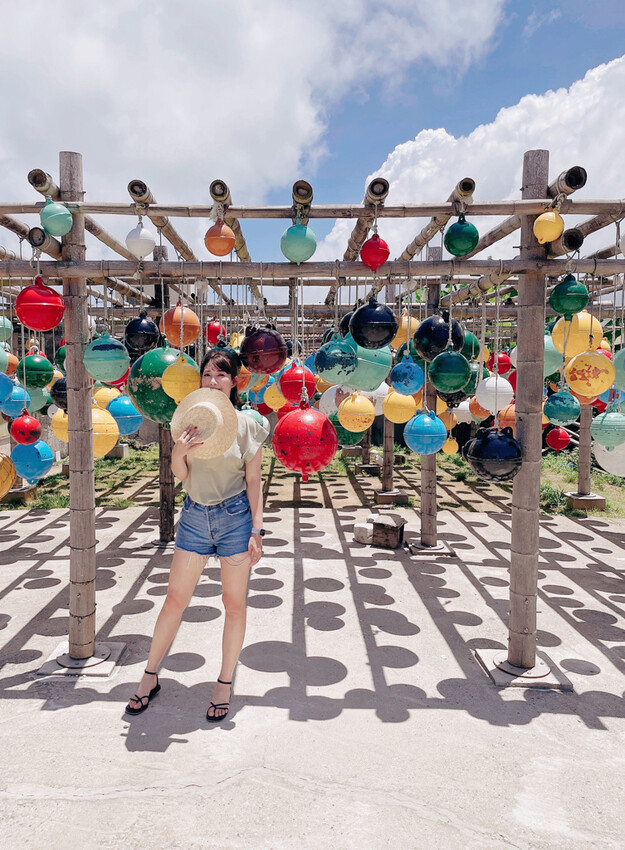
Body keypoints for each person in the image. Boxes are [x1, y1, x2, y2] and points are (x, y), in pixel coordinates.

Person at [126, 348, 269, 721]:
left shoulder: (247, 423)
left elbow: (254, 481)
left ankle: (224, 683)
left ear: (234, 382)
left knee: (234, 603)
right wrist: (179, 449)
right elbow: (182, 475)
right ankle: (149, 676)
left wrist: (257, 529)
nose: (212, 381)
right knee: (175, 599)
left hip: (236, 518)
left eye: (221, 375)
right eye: (207, 374)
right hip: (193, 517)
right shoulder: (190, 420)